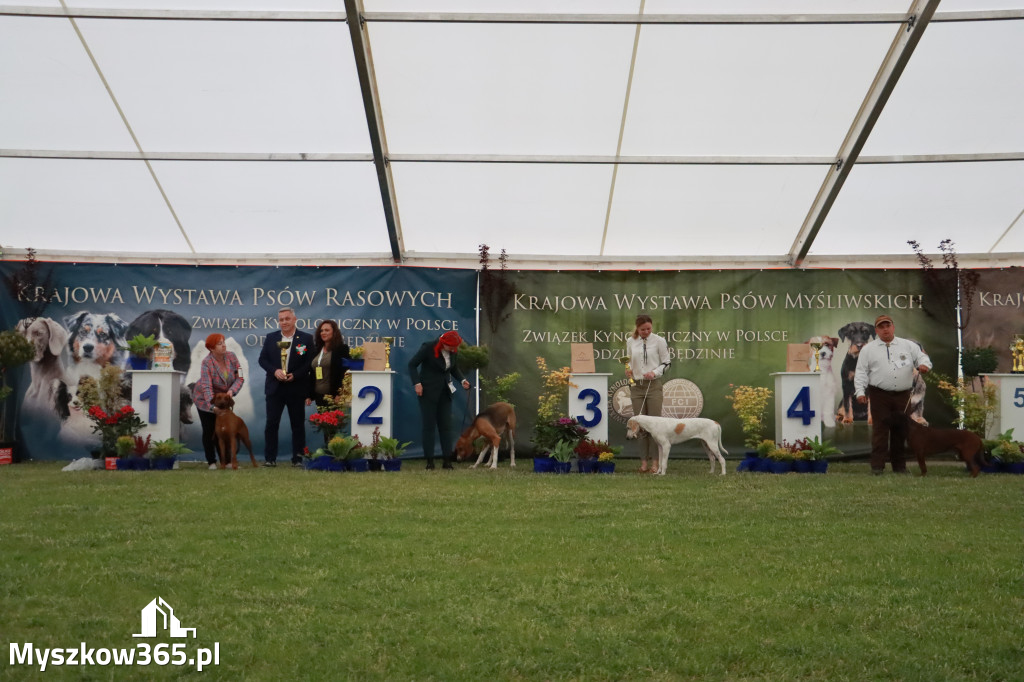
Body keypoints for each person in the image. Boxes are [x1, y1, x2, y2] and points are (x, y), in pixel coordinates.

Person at [854, 314, 932, 475]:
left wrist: (924, 364)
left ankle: (899, 466)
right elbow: (861, 372)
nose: (885, 330)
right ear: (876, 330)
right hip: (878, 395)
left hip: (903, 395)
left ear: (893, 327)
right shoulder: (868, 349)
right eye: (881, 327)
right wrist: (860, 392)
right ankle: (877, 466)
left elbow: (922, 357)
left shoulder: (908, 345)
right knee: (880, 430)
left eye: (887, 326)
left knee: (901, 430)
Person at [258, 307, 315, 467]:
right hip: (275, 388)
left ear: (294, 319)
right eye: (281, 319)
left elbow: (310, 362)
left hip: (296, 388)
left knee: (297, 425)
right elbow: (262, 360)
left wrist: (295, 375)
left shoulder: (306, 339)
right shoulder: (271, 338)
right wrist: (274, 370)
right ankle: (270, 459)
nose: (284, 322)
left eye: (287, 319)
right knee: (271, 424)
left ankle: (298, 458)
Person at [408, 330, 471, 469]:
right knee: (429, 427)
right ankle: (430, 461)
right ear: (443, 343)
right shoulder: (428, 347)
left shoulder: (453, 350)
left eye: (455, 347)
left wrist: (462, 380)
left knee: (446, 427)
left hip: (445, 392)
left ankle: (447, 460)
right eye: (451, 347)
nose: (454, 349)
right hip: (427, 392)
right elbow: (412, 365)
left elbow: (453, 368)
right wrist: (417, 383)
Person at [625, 314, 671, 473]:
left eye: (649, 329)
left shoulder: (659, 340)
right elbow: (629, 360)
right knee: (640, 426)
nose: (646, 331)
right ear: (637, 328)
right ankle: (644, 462)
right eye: (643, 329)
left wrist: (655, 372)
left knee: (655, 427)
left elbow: (666, 362)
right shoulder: (631, 341)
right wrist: (629, 370)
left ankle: (655, 463)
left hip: (653, 386)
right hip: (636, 387)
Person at [192, 333, 244, 470]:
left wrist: (232, 391)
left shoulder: (232, 356)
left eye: (224, 342)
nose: (224, 345)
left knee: (224, 431)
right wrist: (212, 407)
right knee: (210, 430)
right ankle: (211, 462)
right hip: (204, 398)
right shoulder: (206, 363)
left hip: (224, 399)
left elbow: (240, 377)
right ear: (211, 348)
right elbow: (207, 387)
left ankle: (226, 462)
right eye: (219, 344)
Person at [305, 319, 352, 409]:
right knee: (321, 423)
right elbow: (312, 374)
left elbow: (345, 373)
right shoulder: (316, 350)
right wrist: (309, 395)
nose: (323, 333)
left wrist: (339, 393)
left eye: (327, 330)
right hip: (319, 396)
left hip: (334, 397)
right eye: (321, 331)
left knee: (333, 422)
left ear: (334, 332)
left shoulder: (342, 349)